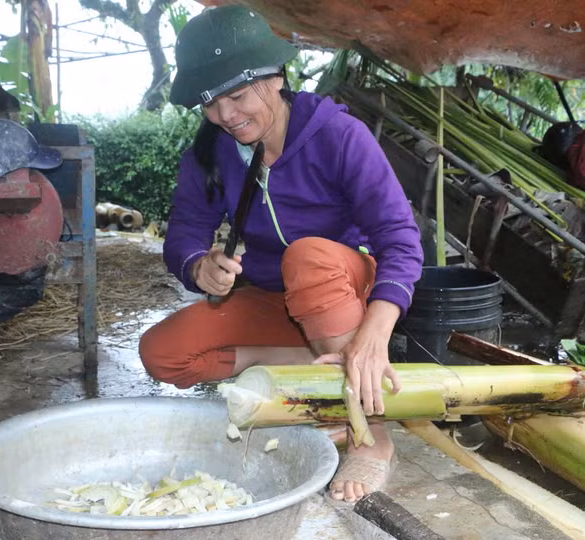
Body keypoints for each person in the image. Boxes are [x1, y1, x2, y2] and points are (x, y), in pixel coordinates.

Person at [139, 4, 423, 503]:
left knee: (309, 257)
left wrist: (376, 334)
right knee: (163, 354)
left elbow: (399, 238)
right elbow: (184, 231)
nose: (225, 116)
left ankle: (372, 433)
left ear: (274, 78)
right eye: (211, 104)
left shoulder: (338, 135)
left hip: (343, 284)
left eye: (238, 96)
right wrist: (197, 265)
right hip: (277, 299)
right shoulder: (210, 152)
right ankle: (325, 361)